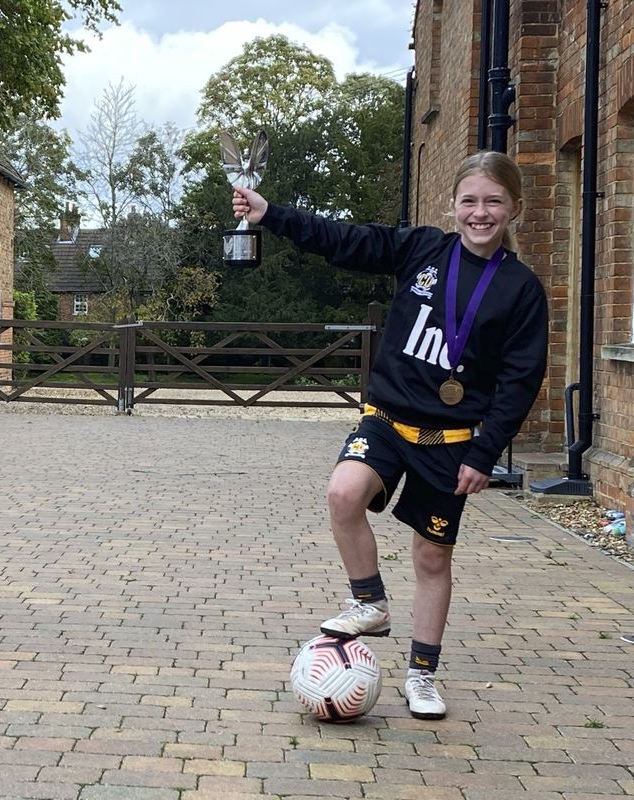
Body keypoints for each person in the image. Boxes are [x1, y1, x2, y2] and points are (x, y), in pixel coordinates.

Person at [232, 150, 548, 719]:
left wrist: (485, 450)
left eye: (493, 202)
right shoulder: (422, 248)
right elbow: (345, 239)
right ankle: (369, 602)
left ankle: (422, 675)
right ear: (452, 206)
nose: (480, 212)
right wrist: (270, 214)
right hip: (385, 419)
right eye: (470, 201)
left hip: (449, 443)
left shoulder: (521, 289)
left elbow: (520, 380)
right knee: (342, 493)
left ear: (514, 209)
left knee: (431, 557)